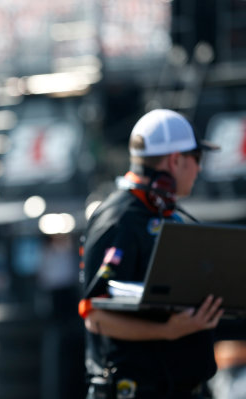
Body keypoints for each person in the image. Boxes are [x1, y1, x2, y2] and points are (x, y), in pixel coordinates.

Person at [78, 109, 224, 399]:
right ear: (176, 159)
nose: (200, 169)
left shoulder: (169, 215)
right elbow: (95, 316)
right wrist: (170, 330)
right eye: (198, 158)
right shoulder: (117, 219)